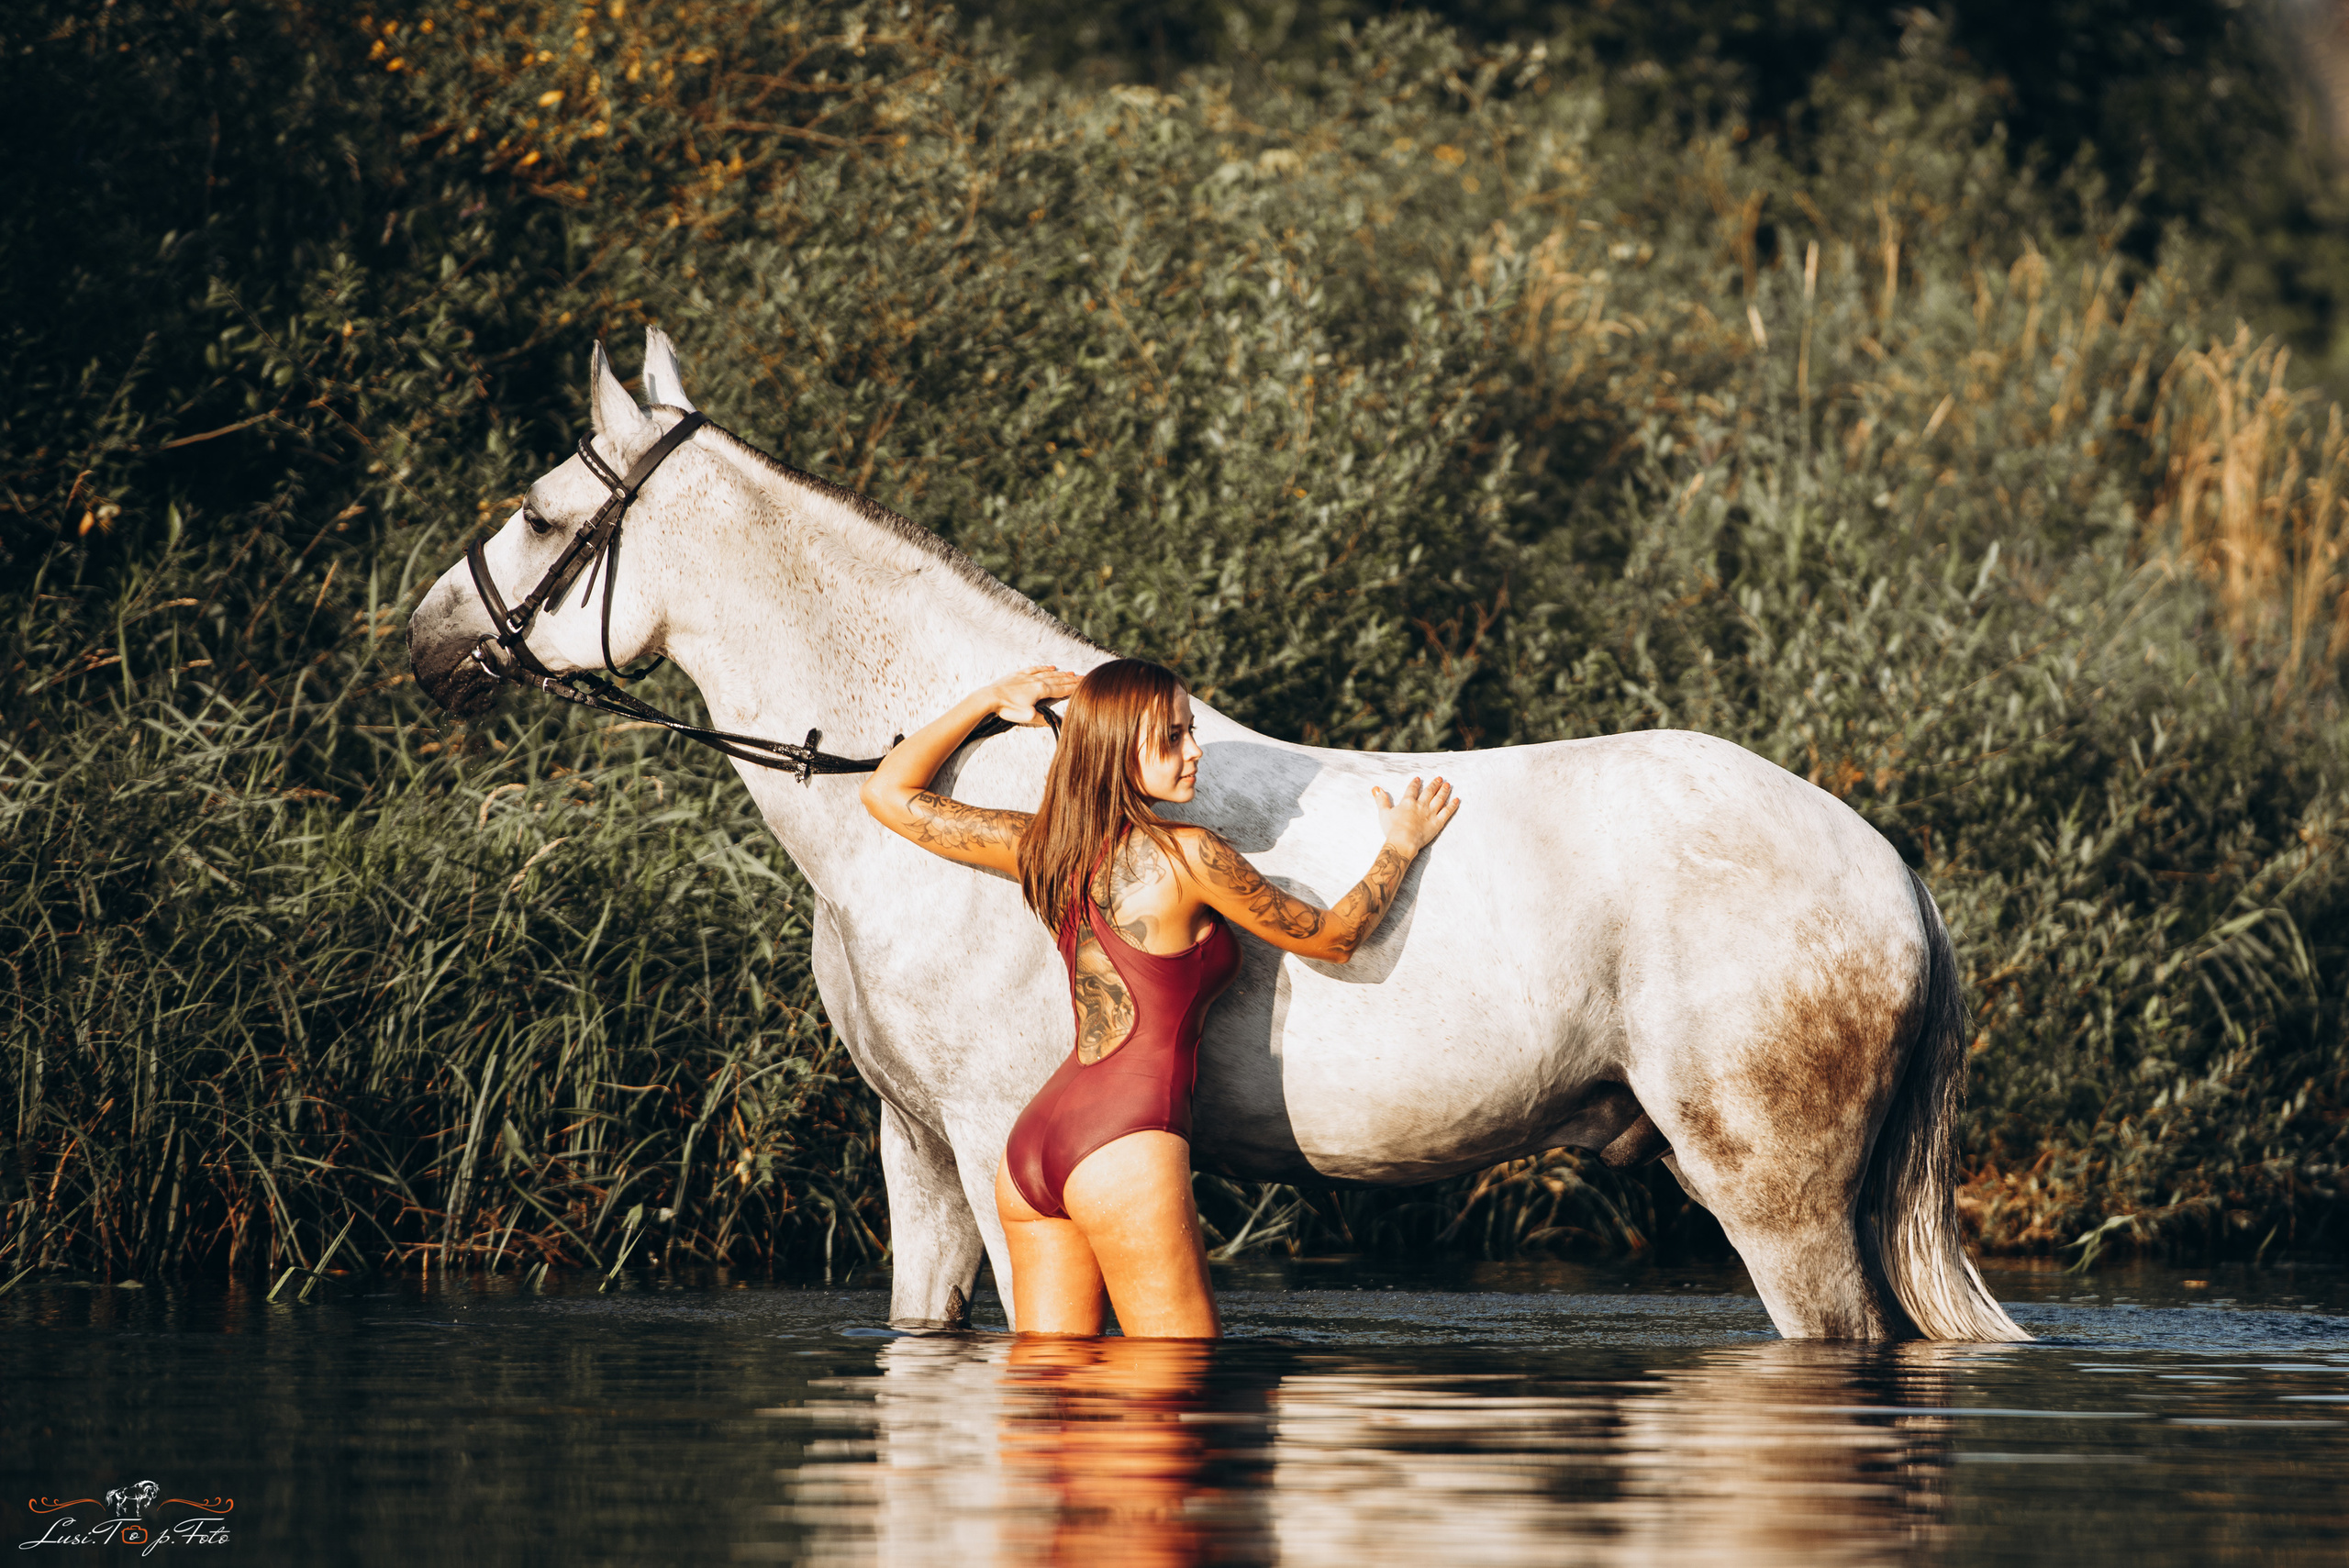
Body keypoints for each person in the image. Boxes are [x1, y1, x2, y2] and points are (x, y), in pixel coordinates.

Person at [860, 659, 1460, 1337]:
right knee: (1176, 1377)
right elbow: (1334, 937)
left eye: (1191, 730)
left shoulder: (1042, 844)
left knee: (1049, 1395)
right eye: (1172, 737)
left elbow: (887, 791)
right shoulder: (1190, 856)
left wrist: (990, 699)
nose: (1195, 750)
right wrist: (1401, 845)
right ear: (1117, 750)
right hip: (1124, 1141)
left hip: (1033, 1147)